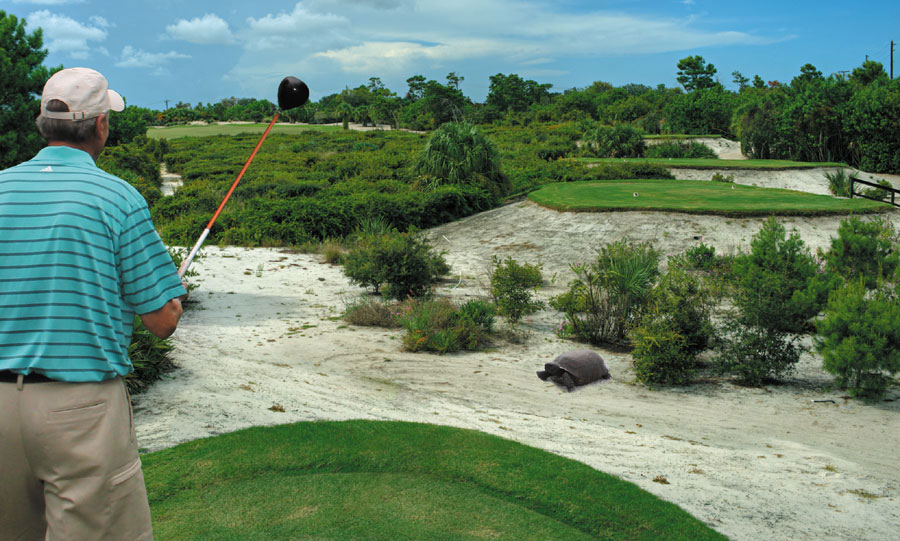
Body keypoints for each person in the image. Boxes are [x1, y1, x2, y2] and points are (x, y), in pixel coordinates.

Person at [0, 67, 187, 540]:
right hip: (79, 411)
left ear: (43, 122)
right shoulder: (117, 198)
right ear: (101, 125)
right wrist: (168, 294)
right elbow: (162, 321)